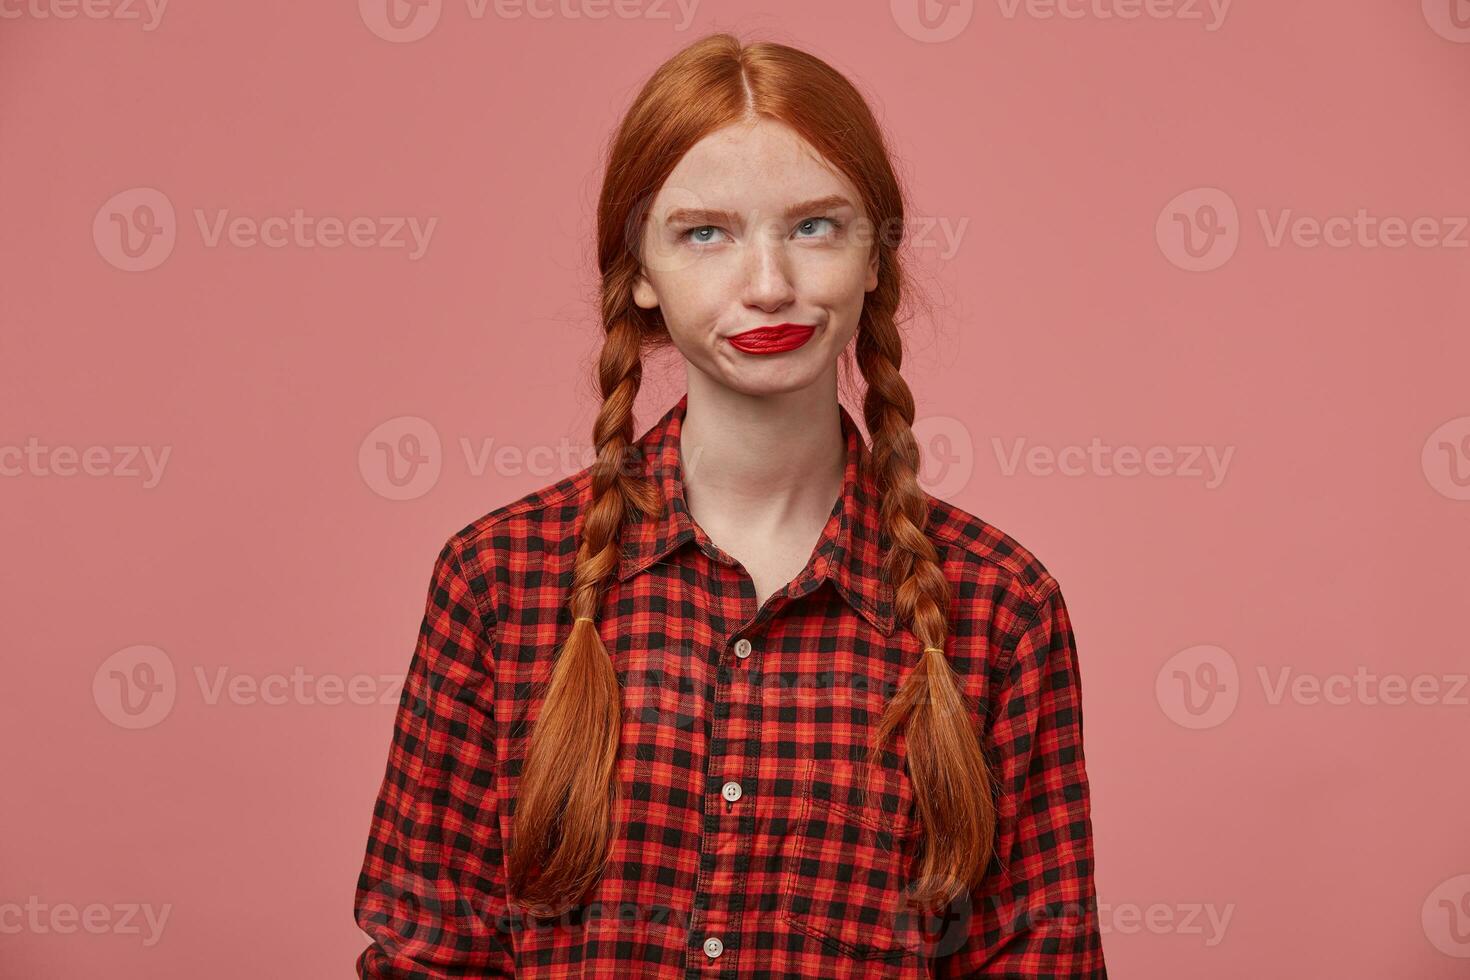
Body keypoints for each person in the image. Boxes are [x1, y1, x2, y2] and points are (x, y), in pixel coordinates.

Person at [353, 31, 1106, 978]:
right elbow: (429, 957)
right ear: (637, 273)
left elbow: (1040, 962)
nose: (768, 285)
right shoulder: (499, 581)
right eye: (705, 232)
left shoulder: (1001, 606)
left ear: (877, 258)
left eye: (816, 226)